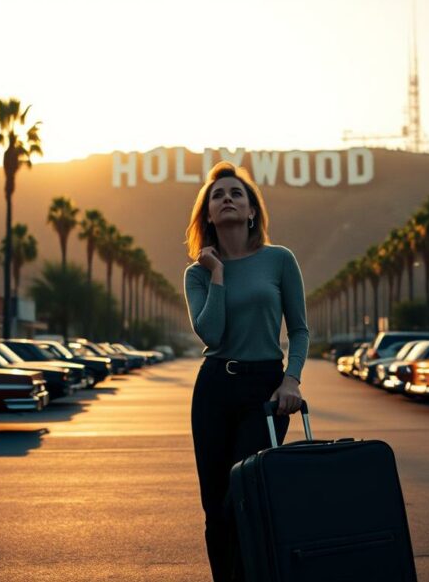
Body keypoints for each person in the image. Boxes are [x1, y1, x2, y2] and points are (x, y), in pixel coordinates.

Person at [184, 161, 310, 581]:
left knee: (247, 496)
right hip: (215, 387)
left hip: (265, 390)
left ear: (252, 210)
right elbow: (212, 335)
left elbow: (299, 329)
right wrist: (217, 273)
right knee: (215, 505)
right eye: (218, 195)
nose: (228, 199)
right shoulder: (197, 274)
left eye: (237, 193)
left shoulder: (279, 260)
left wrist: (291, 378)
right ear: (208, 215)